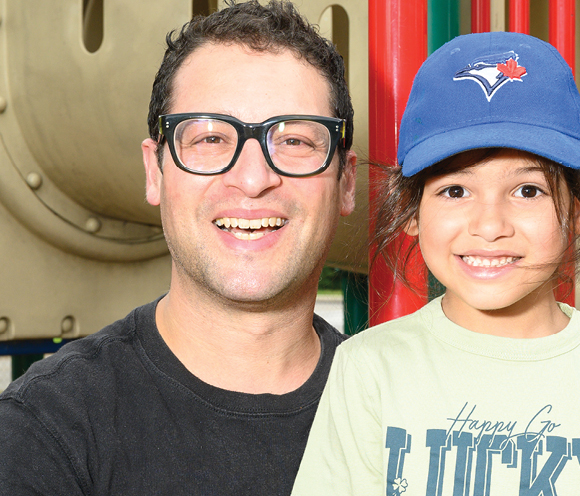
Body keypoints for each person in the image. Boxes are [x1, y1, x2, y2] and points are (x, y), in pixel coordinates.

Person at [0, 1, 356, 494]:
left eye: (294, 140)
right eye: (209, 138)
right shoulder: (44, 433)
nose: (253, 179)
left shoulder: (404, 414)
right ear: (155, 171)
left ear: (345, 181)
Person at [292, 32, 580, 496]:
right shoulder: (367, 367)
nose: (489, 226)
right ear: (410, 210)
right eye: (455, 191)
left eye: (528, 190)